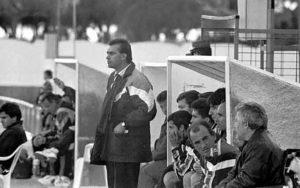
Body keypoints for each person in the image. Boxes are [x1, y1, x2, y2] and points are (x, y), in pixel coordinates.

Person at [90, 38, 157, 188]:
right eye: (107, 53)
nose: (107, 57)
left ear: (124, 56)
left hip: (127, 149)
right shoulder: (113, 77)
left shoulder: (137, 79)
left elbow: (149, 110)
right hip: (112, 147)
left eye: (111, 53)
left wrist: (125, 123)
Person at [217, 102, 284, 188]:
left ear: (246, 124)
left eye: (237, 121)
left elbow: (246, 181)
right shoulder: (254, 142)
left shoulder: (260, 147)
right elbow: (233, 173)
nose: (234, 125)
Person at [188, 120, 238, 188]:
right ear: (193, 146)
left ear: (214, 136)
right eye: (197, 143)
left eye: (205, 138)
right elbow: (205, 181)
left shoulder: (230, 155)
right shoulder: (203, 158)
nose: (203, 145)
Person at [138, 90, 167, 188]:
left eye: (166, 105)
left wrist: (150, 156)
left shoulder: (172, 120)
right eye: (162, 107)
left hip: (167, 159)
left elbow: (163, 149)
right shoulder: (167, 120)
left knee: (145, 172)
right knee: (143, 168)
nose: (164, 109)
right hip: (163, 158)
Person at [0, 103, 27, 174]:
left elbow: (2, 152)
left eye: (4, 118)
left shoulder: (13, 132)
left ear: (14, 118)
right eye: (0, 118)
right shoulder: (17, 129)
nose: (1, 121)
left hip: (3, 169)